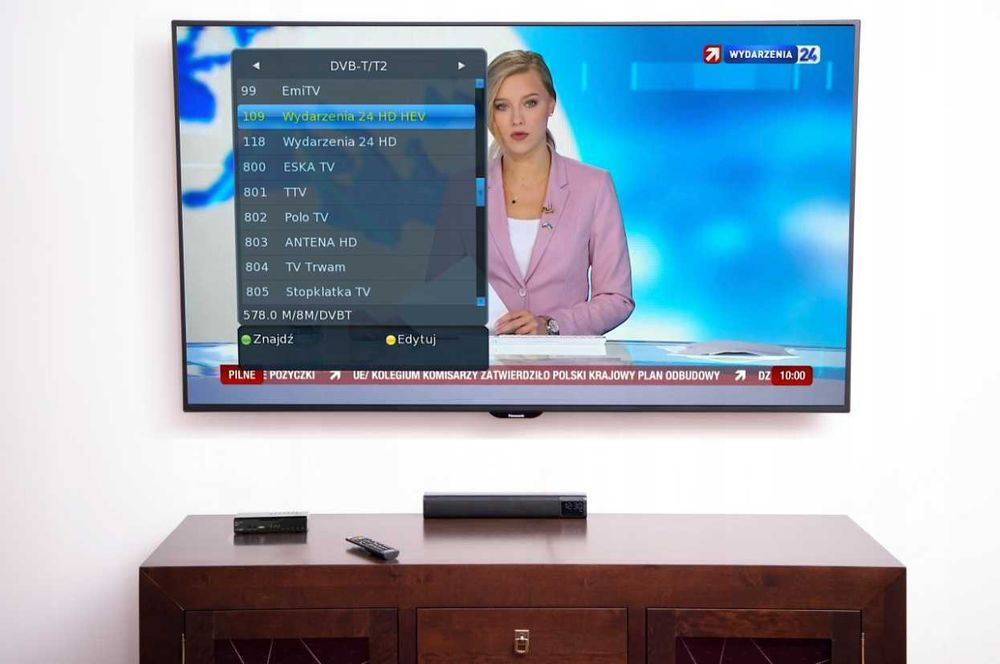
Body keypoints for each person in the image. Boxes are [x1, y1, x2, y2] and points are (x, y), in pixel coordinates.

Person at [487, 50, 634, 337]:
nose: (517, 119)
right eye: (502, 106)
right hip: (484, 360)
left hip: (564, 360)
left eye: (530, 103)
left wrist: (552, 326)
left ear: (551, 104)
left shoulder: (593, 186)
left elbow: (617, 298)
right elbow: (437, 288)